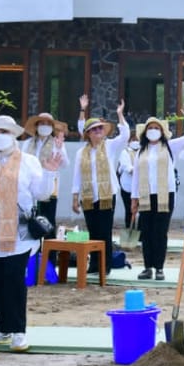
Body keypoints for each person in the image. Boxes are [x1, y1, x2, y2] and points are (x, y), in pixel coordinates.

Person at [0, 115, 64, 352]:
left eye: (5, 132)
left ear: (13, 135)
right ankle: (2, 326)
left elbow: (41, 194)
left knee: (15, 281)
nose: (0, 136)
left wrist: (50, 173)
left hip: (19, 234)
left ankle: (19, 330)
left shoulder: (29, 161)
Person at [130, 105, 184, 281]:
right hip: (145, 196)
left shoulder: (169, 146)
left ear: (162, 131)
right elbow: (136, 176)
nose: (153, 131)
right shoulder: (140, 151)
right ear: (145, 132)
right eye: (150, 128)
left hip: (165, 194)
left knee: (160, 231)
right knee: (147, 231)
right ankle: (147, 267)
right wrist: (133, 199)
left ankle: (159, 267)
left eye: (156, 128)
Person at [70, 99, 130, 276]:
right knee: (93, 231)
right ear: (88, 134)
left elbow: (125, 135)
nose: (98, 131)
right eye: (94, 130)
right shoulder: (82, 152)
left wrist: (120, 114)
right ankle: (94, 264)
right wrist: (75, 197)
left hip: (106, 194)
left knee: (104, 231)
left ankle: (106, 265)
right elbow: (77, 175)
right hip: (88, 196)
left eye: (100, 128)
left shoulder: (109, 146)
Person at [19, 112, 70, 229]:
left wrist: (59, 148)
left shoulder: (56, 143)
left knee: (48, 222)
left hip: (49, 187)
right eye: (42, 123)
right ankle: (34, 247)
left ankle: (49, 247)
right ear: (36, 126)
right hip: (29, 187)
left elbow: (65, 164)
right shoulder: (27, 144)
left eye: (48, 124)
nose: (45, 126)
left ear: (52, 128)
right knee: (30, 221)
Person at [117, 128, 140, 247]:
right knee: (129, 210)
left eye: (137, 139)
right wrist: (138, 170)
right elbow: (127, 167)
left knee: (141, 212)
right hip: (127, 186)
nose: (135, 141)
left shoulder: (142, 151)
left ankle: (139, 235)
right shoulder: (125, 152)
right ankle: (129, 230)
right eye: (133, 139)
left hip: (141, 187)